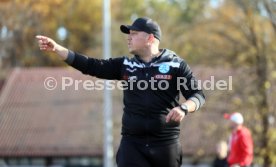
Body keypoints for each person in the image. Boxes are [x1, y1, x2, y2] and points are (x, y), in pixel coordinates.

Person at [36, 17, 205, 167]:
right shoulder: (125, 65)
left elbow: (198, 95)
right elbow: (90, 65)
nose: (128, 38)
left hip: (166, 145)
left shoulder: (176, 65)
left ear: (150, 38)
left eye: (134, 33)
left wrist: (183, 108)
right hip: (132, 146)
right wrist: (58, 49)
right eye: (128, 34)